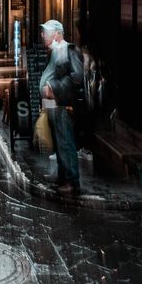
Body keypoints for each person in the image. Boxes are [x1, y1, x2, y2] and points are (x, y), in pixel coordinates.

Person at [39, 19, 84, 194]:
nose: (43, 35)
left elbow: (77, 76)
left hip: (63, 104)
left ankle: (72, 181)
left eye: (46, 32)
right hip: (53, 104)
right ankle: (63, 176)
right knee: (59, 142)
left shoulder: (68, 49)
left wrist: (54, 88)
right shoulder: (55, 51)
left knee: (65, 141)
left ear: (57, 34)